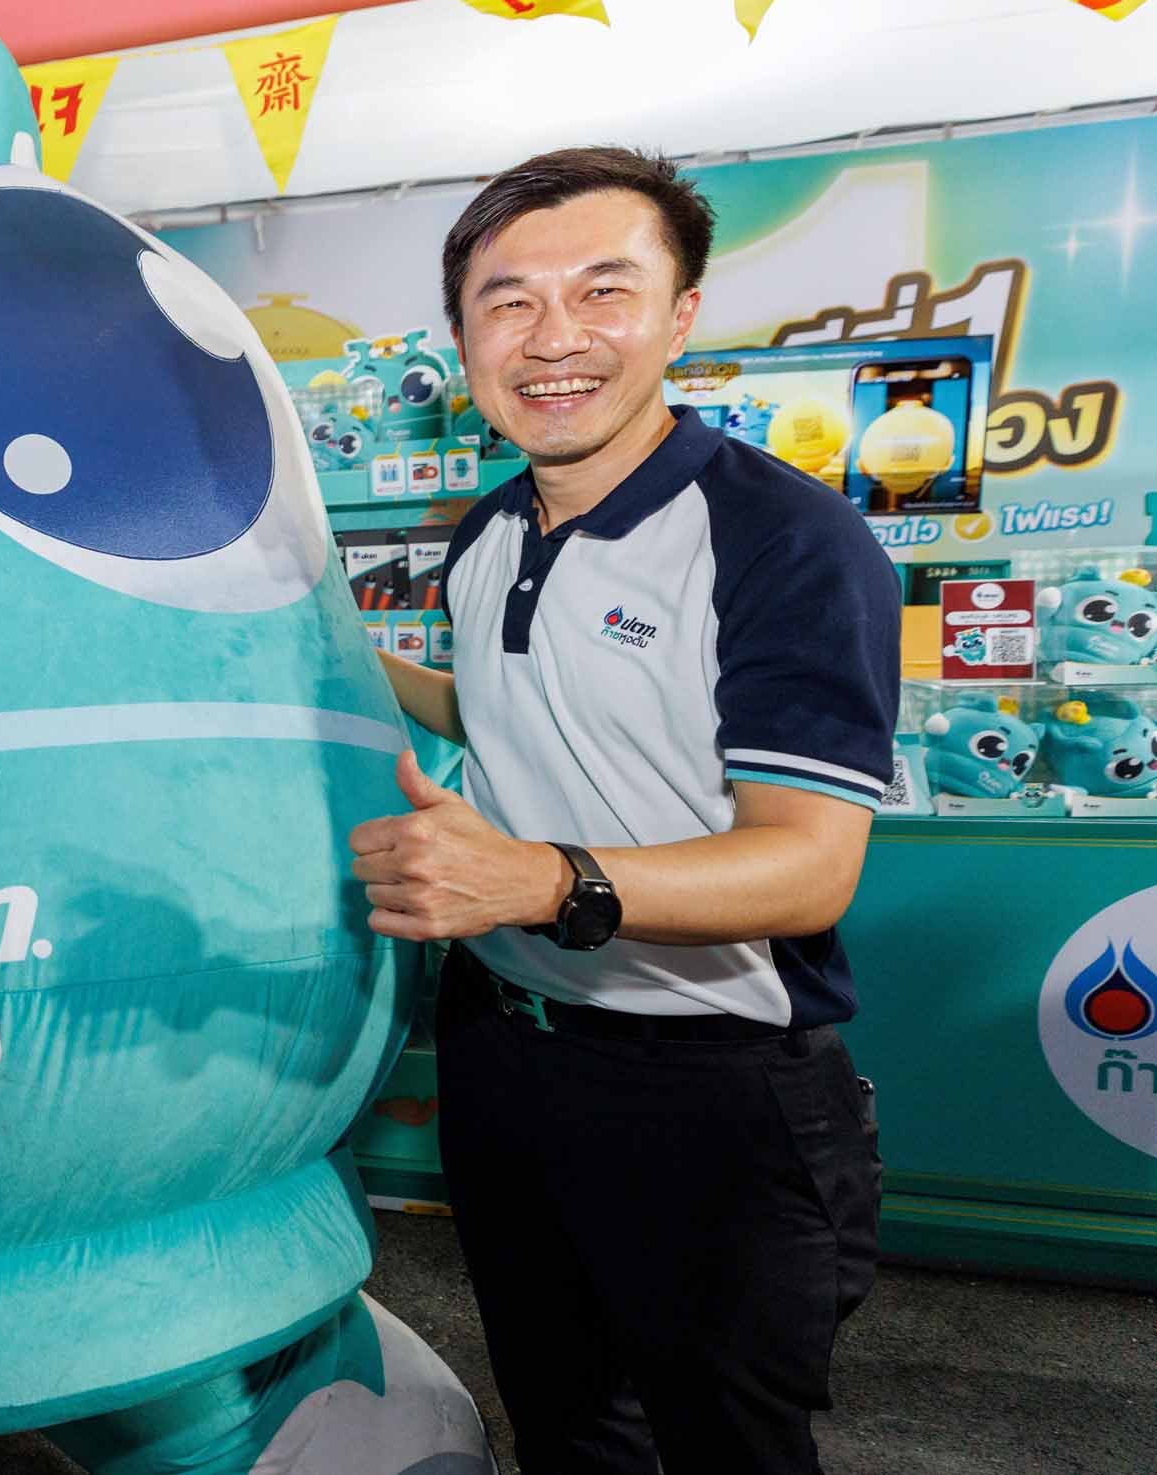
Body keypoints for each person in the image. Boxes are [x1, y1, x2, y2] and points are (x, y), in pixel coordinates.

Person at [357, 147, 893, 1475]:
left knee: (724, 1442)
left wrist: (541, 879)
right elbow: (515, 707)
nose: (553, 339)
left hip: (703, 1079)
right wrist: (338, 656)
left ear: (680, 313)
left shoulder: (783, 538)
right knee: (567, 1422)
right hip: (506, 1055)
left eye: (603, 290)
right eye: (508, 301)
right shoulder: (488, 532)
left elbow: (807, 864)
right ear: (463, 338)